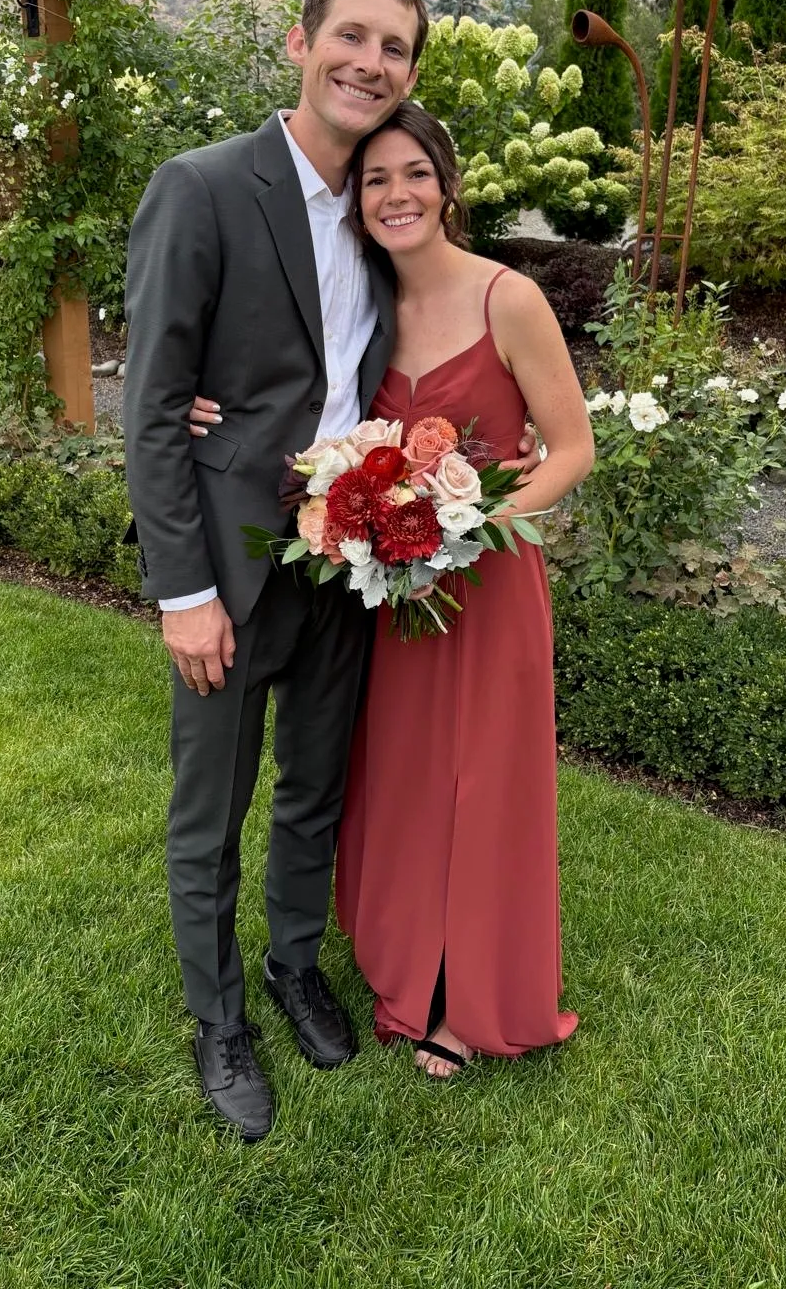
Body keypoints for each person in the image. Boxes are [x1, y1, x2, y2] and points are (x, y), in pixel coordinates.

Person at [123, 0, 539, 1142]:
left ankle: (294, 963)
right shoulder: (202, 187)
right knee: (211, 811)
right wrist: (185, 592)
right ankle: (218, 1020)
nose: (370, 62)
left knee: (316, 788)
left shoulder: (379, 207)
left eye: (394, 47)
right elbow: (152, 406)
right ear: (302, 44)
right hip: (230, 571)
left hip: (345, 564)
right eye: (351, 36)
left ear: (409, 71)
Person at [190, 102, 595, 1081]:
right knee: (406, 779)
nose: (396, 194)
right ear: (357, 202)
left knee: (483, 784)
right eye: (375, 180)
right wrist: (201, 399)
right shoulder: (368, 302)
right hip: (392, 591)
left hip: (485, 584)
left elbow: (572, 447)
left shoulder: (508, 298)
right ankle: (406, 966)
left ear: (448, 186)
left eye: (415, 173)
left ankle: (466, 1000)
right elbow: (301, 387)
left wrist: (472, 524)